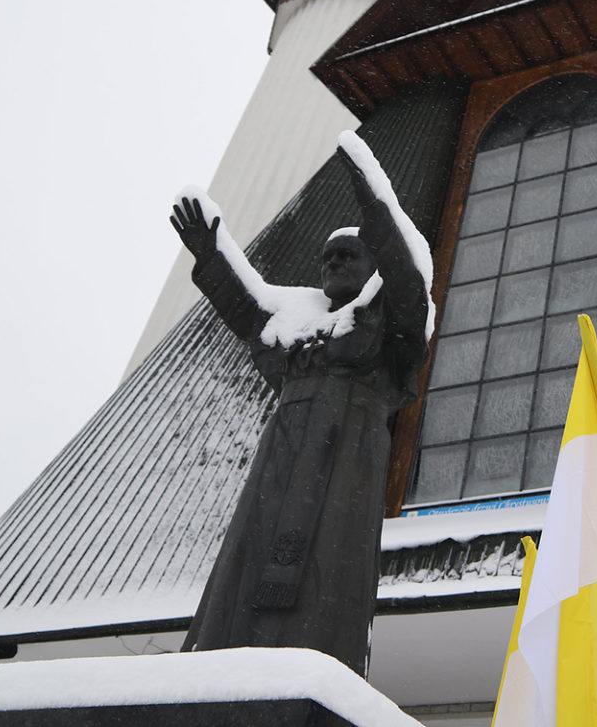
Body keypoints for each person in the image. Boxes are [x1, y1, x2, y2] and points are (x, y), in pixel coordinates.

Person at [169, 133, 432, 676]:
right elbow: (249, 307)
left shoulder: (386, 318)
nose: (334, 263)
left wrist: (371, 199)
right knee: (250, 551)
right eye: (328, 257)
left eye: (348, 255)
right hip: (282, 458)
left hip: (349, 453)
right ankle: (223, 660)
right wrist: (211, 254)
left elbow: (408, 279)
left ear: (371, 260)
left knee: (329, 561)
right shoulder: (296, 320)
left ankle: (315, 663)